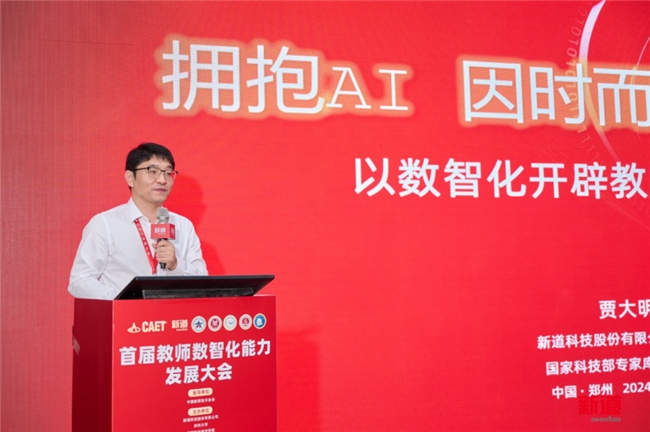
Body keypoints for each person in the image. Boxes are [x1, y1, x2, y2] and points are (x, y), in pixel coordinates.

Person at [68, 143, 208, 299]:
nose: (162, 180)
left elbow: (203, 282)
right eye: (153, 172)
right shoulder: (105, 224)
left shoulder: (184, 226)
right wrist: (124, 300)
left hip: (171, 313)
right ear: (130, 178)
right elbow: (80, 281)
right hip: (125, 314)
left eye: (168, 173)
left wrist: (176, 265)